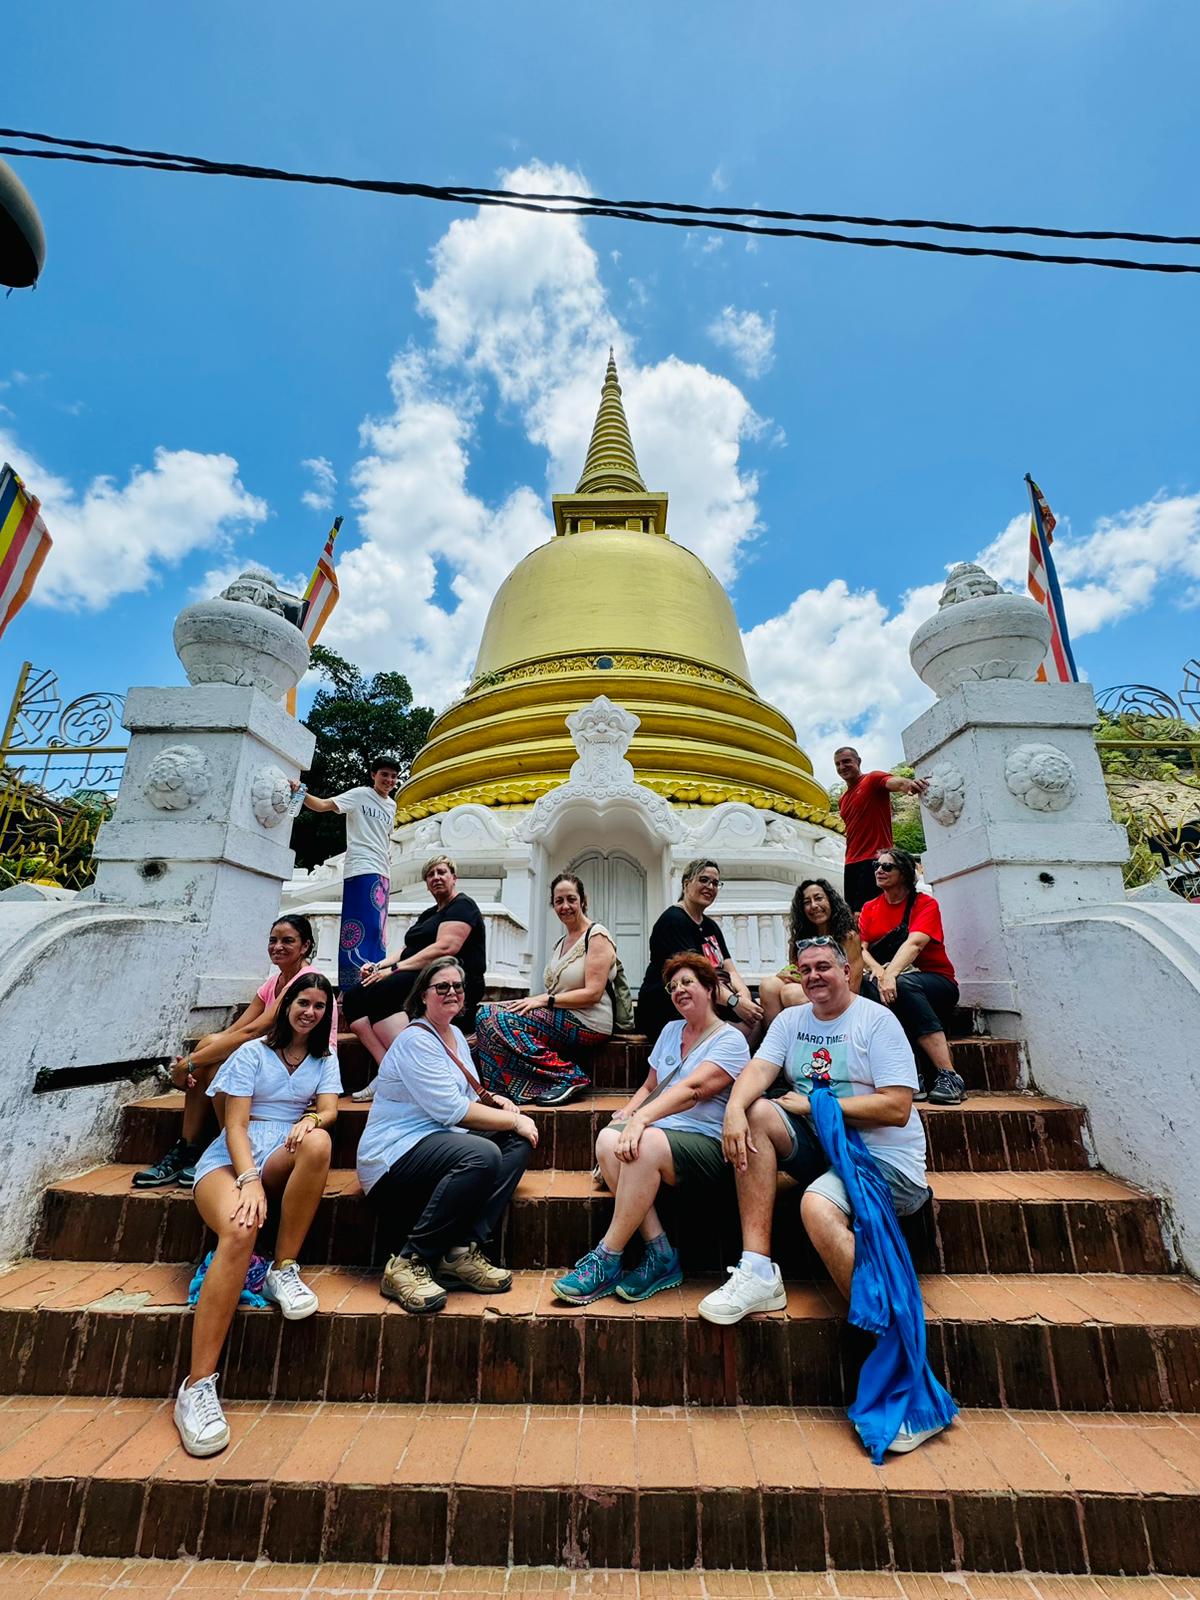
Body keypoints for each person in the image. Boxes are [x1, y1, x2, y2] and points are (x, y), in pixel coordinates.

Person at [699, 937, 948, 1455]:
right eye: (804, 969)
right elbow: (759, 1074)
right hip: (829, 1149)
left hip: (886, 1161)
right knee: (759, 1113)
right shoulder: (791, 1023)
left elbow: (898, 1107)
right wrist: (732, 1109)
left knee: (815, 1204)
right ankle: (757, 1270)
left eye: (823, 968)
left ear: (846, 972)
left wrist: (816, 1106)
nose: (813, 977)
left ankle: (888, 1346)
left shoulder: (876, 1022)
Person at [173, 972, 341, 1456]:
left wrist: (310, 1118)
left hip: (283, 1147)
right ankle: (197, 1386)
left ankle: (283, 1269)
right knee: (242, 1227)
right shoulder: (252, 1053)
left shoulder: (322, 1060)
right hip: (231, 1157)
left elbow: (328, 1109)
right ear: (285, 1004)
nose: (309, 1012)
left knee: (321, 1142)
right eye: (302, 1002)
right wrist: (247, 1180)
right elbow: (235, 1125)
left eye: (318, 1006)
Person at [553, 953, 750, 1305]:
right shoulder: (672, 1031)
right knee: (608, 1139)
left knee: (643, 1145)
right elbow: (651, 1086)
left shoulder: (730, 1040)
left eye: (687, 982)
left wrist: (641, 1120)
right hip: (661, 1132)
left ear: (710, 989)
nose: (678, 990)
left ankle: (607, 1257)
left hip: (707, 1144)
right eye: (673, 987)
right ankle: (660, 1252)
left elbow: (693, 1091)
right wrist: (628, 1112)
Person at [356, 956, 538, 1314]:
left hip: (439, 1145)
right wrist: (514, 1120)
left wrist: (497, 1101)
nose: (452, 992)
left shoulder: (453, 1034)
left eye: (457, 986)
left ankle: (459, 1252)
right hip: (394, 1155)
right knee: (483, 1153)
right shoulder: (414, 1041)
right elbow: (451, 1111)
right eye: (442, 987)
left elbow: (466, 1097)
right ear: (423, 995)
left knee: (516, 1144)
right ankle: (408, 1262)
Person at [133, 915, 335, 1190]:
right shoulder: (272, 982)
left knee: (216, 1065)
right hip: (271, 1053)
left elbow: (252, 1034)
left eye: (288, 941)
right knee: (210, 1045)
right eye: (273, 940)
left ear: (305, 946)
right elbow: (237, 1030)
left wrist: (187, 1065)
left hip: (304, 1060)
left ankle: (222, 1146)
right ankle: (189, 1146)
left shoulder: (306, 982)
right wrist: (200, 1056)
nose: (278, 946)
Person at [341, 853, 486, 1088]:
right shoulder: (430, 914)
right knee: (355, 997)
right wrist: (379, 966)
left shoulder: (463, 906)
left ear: (454, 877)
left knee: (383, 992)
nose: (436, 878)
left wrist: (395, 970)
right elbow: (409, 949)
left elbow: (445, 948)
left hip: (452, 978)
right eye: (430, 875)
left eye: (441, 872)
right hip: (419, 972)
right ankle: (389, 1072)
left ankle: (415, 1067)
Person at [475, 873, 616, 1107]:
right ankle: (498, 1092)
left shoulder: (596, 935)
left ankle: (568, 1076)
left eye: (571, 899)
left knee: (499, 1019)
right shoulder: (561, 943)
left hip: (590, 1020)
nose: (565, 906)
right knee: (483, 1016)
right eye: (559, 901)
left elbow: (593, 993)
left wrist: (545, 1000)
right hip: (561, 1015)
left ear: (583, 900)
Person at [858, 848, 964, 1105]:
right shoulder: (870, 908)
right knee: (866, 989)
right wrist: (879, 971)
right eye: (876, 866)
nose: (879, 871)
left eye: (887, 867)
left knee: (903, 986)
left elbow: (915, 943)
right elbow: (860, 950)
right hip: (890, 980)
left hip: (934, 981)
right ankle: (910, 1073)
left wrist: (890, 974)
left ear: (904, 873)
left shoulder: (925, 904)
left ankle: (949, 1076)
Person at [291, 754, 400, 991]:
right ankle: (351, 989)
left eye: (393, 777)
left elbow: (386, 838)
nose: (389, 780)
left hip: (383, 873)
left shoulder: (392, 805)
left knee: (376, 931)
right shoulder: (360, 795)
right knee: (357, 929)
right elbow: (323, 805)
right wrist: (300, 792)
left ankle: (372, 982)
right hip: (361, 867)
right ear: (374, 775)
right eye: (384, 775)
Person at [635, 858, 763, 1047]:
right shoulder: (673, 921)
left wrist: (743, 996)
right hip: (670, 1003)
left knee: (759, 1009)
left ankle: (732, 1068)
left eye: (715, 883)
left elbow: (730, 969)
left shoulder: (710, 926)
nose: (710, 887)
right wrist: (735, 1003)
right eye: (703, 880)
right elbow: (695, 978)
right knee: (744, 1023)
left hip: (710, 995)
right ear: (686, 884)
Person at [833, 747, 927, 913]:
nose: (842, 767)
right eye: (838, 764)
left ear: (858, 762)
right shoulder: (843, 799)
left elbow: (894, 782)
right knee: (855, 917)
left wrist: (909, 784)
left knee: (878, 912)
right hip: (851, 864)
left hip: (875, 860)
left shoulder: (872, 779)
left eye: (847, 761)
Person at [759, 879, 863, 1025]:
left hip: (838, 996)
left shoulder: (848, 937)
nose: (813, 906)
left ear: (831, 901)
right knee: (768, 985)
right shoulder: (800, 939)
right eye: (807, 902)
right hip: (807, 987)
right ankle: (777, 1042)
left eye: (819, 898)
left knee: (791, 993)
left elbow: (853, 985)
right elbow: (796, 971)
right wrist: (785, 974)